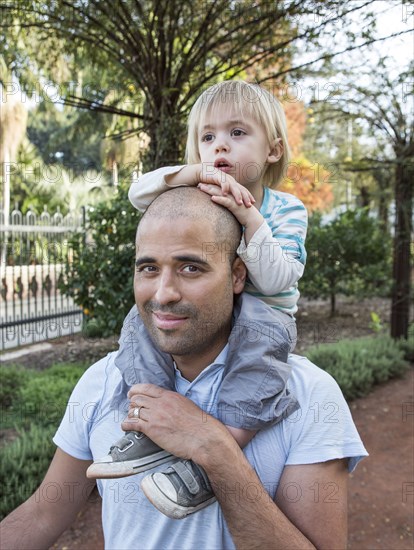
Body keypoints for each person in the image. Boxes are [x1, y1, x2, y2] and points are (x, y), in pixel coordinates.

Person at [0, 187, 367, 549]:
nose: (162, 293)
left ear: (237, 275)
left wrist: (215, 450)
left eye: (190, 268)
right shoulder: (103, 381)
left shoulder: (309, 395)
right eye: (148, 268)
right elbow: (42, 517)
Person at [88, 81, 308, 518]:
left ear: (274, 149)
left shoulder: (286, 209)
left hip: (264, 312)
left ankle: (213, 462)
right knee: (141, 323)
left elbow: (280, 274)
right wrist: (190, 175)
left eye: (238, 133)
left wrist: (250, 218)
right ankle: (149, 418)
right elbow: (138, 194)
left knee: (256, 368)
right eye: (207, 137)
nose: (220, 145)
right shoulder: (200, 195)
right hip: (208, 308)